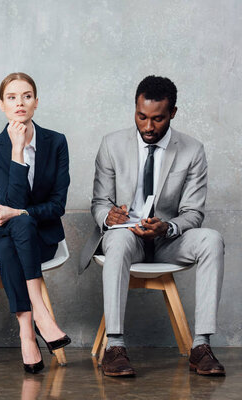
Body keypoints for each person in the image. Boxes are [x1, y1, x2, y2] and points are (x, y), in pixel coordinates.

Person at [79, 75, 225, 377]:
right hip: (126, 237)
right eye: (141, 116)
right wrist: (109, 217)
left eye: (157, 119)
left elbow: (193, 213)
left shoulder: (192, 150)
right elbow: (99, 202)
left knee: (211, 239)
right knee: (117, 241)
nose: (148, 126)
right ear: (135, 109)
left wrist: (167, 227)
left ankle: (201, 346)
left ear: (172, 113)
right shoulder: (111, 144)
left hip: (167, 240)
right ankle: (115, 347)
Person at [0, 72, 71, 374]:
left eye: (27, 96)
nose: (20, 103)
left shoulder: (55, 142)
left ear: (36, 102)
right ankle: (40, 313)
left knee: (16, 234)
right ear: (2, 105)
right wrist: (17, 150)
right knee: (12, 231)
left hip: (40, 239)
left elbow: (57, 205)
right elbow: (14, 200)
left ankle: (26, 333)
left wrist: (21, 215)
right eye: (12, 97)